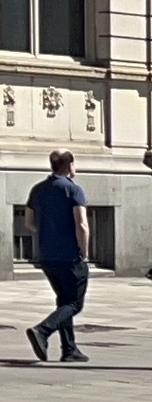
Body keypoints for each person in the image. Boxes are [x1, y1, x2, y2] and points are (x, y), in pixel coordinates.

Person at [23, 149, 90, 363]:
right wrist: (84, 252)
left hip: (46, 256)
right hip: (70, 256)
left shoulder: (38, 190)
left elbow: (29, 223)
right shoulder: (73, 190)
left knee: (63, 300)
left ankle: (69, 349)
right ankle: (42, 330)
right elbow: (82, 224)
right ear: (70, 166)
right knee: (74, 304)